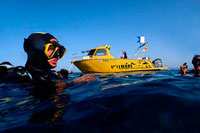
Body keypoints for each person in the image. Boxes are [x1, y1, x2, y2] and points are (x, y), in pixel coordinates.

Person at [0, 32, 95, 83]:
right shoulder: (16, 78)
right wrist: (69, 85)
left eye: (60, 51)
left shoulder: (55, 75)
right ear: (35, 49)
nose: (57, 55)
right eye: (51, 48)